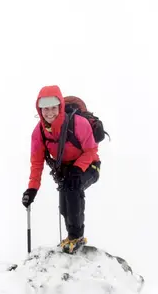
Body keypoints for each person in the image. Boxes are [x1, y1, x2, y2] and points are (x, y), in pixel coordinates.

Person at [21, 85, 101, 253]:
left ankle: (76, 237)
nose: (49, 113)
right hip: (66, 170)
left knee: (73, 188)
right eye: (45, 109)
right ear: (39, 109)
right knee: (65, 203)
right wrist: (32, 189)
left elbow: (91, 150)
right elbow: (36, 163)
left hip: (90, 165)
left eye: (53, 108)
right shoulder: (39, 133)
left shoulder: (79, 123)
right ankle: (70, 237)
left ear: (60, 107)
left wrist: (78, 169)